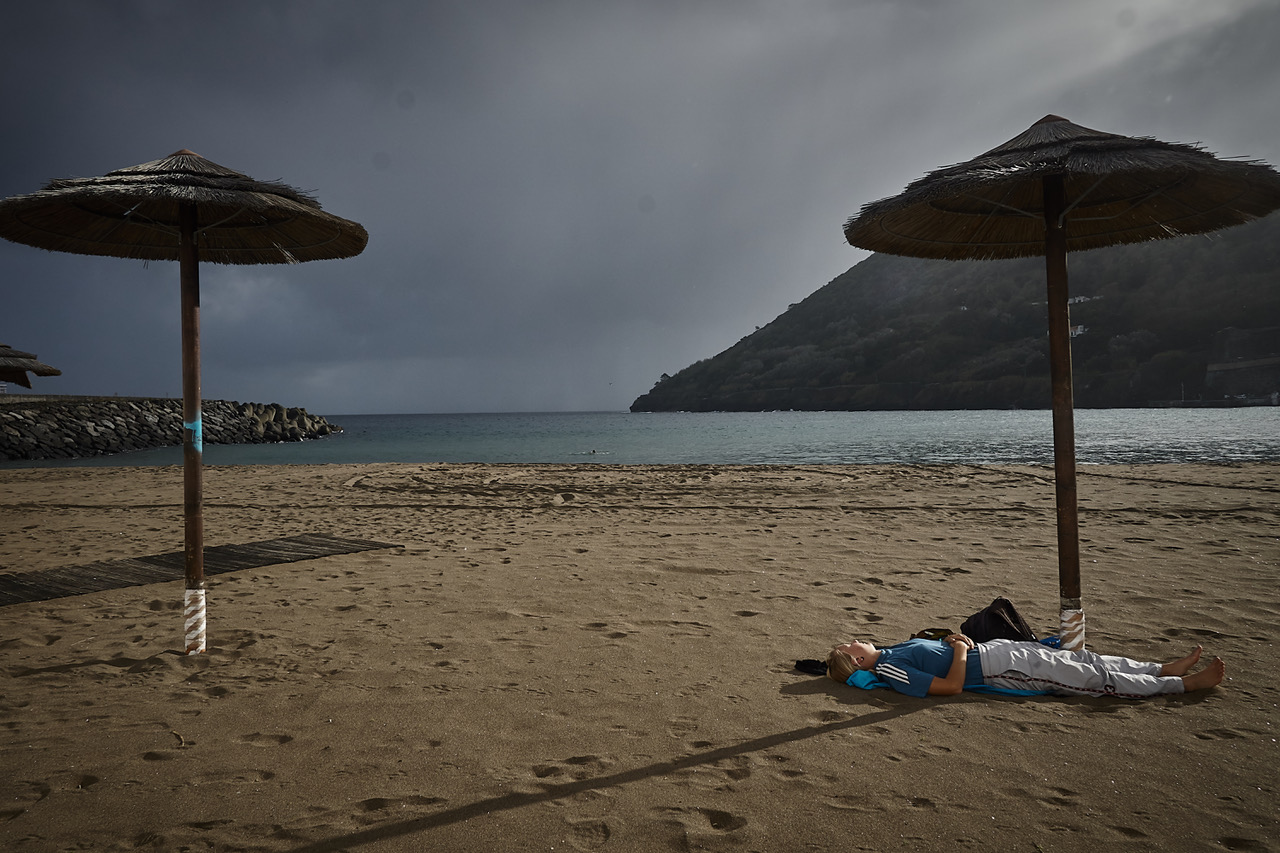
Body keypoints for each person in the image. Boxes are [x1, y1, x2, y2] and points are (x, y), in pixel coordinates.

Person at [826, 634, 1225, 699]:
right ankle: (1183, 686)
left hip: (998, 651)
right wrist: (961, 651)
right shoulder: (889, 669)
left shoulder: (893, 650)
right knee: (1089, 678)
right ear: (857, 659)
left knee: (1082, 658)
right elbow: (950, 687)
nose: (854, 637)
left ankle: (1160, 669)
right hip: (998, 670)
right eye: (849, 644)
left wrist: (955, 640)